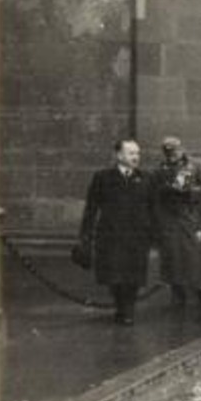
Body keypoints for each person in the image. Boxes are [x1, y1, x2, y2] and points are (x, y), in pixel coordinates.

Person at [76, 138, 156, 326]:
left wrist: (154, 237)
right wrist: (85, 236)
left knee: (133, 275)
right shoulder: (103, 178)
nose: (136, 157)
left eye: (137, 153)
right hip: (111, 236)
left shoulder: (146, 179)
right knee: (115, 275)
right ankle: (122, 306)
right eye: (131, 153)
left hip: (137, 237)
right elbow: (91, 209)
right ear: (119, 155)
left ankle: (127, 310)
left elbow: (153, 209)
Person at [150, 135, 201, 313]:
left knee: (194, 258)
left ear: (182, 148)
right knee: (172, 258)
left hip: (191, 218)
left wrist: (192, 191)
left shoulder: (196, 165)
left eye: (174, 151)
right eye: (168, 152)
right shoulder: (161, 169)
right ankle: (178, 296)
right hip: (170, 219)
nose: (171, 155)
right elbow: (156, 196)